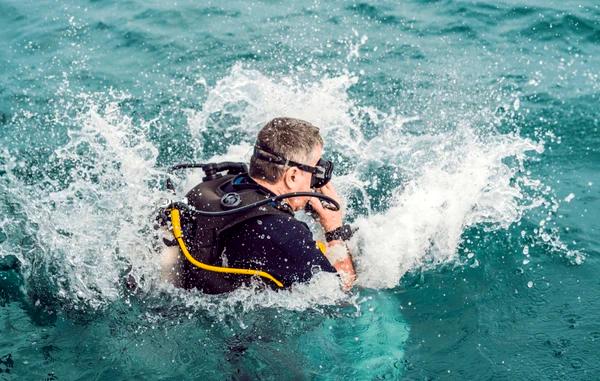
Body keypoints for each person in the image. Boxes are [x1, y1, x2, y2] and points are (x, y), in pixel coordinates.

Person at [161, 117, 356, 293]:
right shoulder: (282, 232)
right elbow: (338, 292)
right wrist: (334, 231)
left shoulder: (222, 185)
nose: (317, 181)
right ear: (293, 175)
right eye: (315, 170)